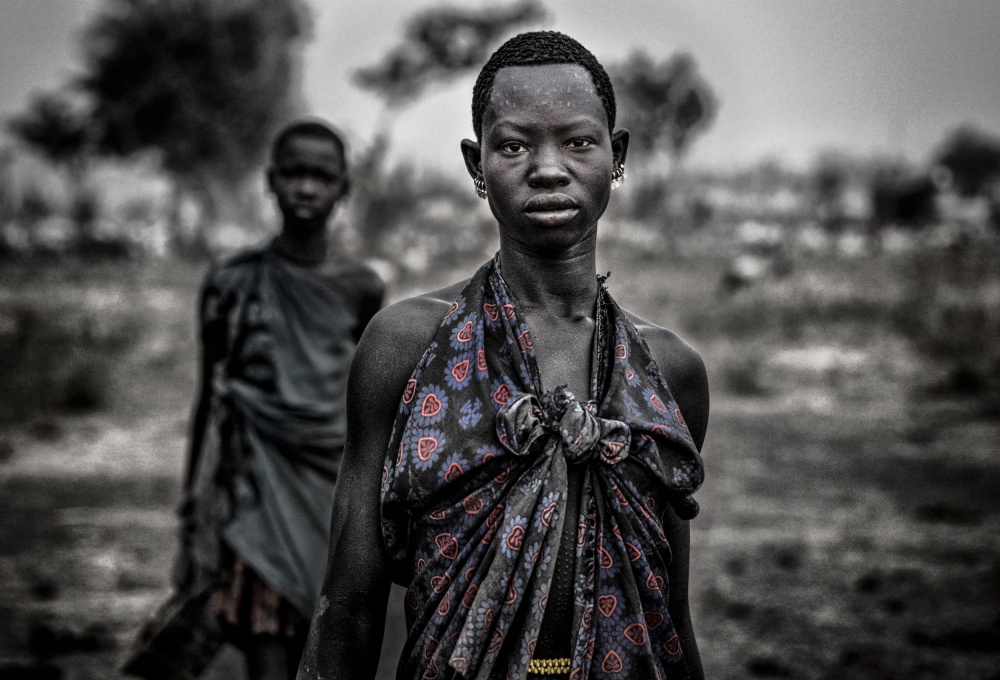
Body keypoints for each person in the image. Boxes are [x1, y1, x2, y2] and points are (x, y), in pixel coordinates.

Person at [297, 32, 708, 680]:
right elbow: (347, 608)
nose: (548, 167)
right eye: (514, 145)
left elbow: (668, 620)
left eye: (578, 142)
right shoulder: (407, 348)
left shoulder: (665, 374)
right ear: (476, 165)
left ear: (617, 155)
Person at [179, 119, 385, 680]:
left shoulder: (363, 288)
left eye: (322, 176)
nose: (306, 188)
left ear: (344, 188)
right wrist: (190, 511)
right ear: (271, 181)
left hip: (332, 490)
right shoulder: (232, 281)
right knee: (268, 647)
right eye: (294, 173)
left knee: (327, 646)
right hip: (258, 487)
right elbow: (207, 400)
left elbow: (371, 409)